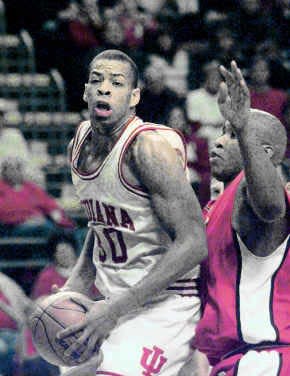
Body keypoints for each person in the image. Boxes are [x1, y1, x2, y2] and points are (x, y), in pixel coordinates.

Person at [52, 49, 207, 375]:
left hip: (165, 306)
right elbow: (101, 225)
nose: (105, 88)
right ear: (85, 91)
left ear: (134, 96)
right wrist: (76, 284)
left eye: (117, 82)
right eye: (97, 81)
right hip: (114, 305)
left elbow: (194, 243)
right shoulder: (78, 145)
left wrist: (114, 309)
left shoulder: (148, 150)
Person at [184, 61, 290, 375]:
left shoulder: (252, 191)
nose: (218, 141)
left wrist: (244, 127)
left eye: (230, 135)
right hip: (234, 359)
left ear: (266, 152)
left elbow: (271, 208)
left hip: (265, 357)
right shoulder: (216, 207)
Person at [0, 156, 75, 239]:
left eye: (18, 168)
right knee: (49, 230)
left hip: (39, 224)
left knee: (71, 232)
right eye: (10, 168)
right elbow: (4, 212)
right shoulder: (1, 188)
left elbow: (50, 205)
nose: (15, 171)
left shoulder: (32, 188)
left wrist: (59, 220)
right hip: (12, 229)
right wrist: (27, 220)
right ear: (4, 172)